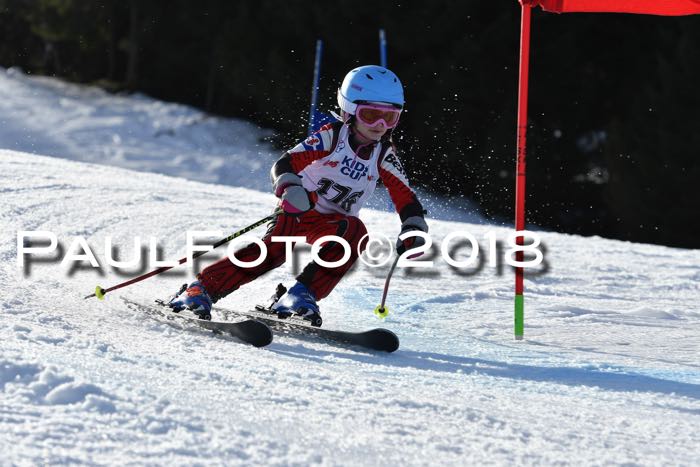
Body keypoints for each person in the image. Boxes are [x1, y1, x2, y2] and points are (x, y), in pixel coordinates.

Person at [167, 65, 428, 324]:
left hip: (332, 223)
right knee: (271, 253)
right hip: (299, 208)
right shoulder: (332, 137)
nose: (380, 125)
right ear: (349, 110)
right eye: (371, 115)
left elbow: (404, 195)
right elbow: (285, 163)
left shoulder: (384, 154)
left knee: (355, 234)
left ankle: (299, 295)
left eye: (390, 117)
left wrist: (413, 225)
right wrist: (290, 188)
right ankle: (200, 289)